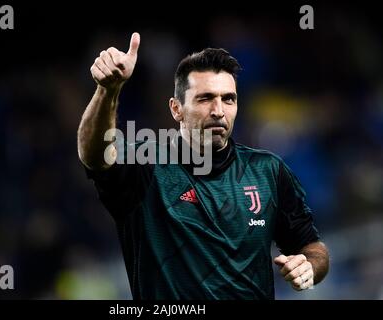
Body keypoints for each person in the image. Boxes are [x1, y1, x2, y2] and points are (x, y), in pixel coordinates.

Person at [77, 32, 329, 299]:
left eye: (228, 98)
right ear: (176, 110)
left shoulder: (267, 170)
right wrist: (108, 90)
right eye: (205, 98)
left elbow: (311, 247)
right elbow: (95, 155)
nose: (219, 110)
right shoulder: (147, 167)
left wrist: (309, 266)